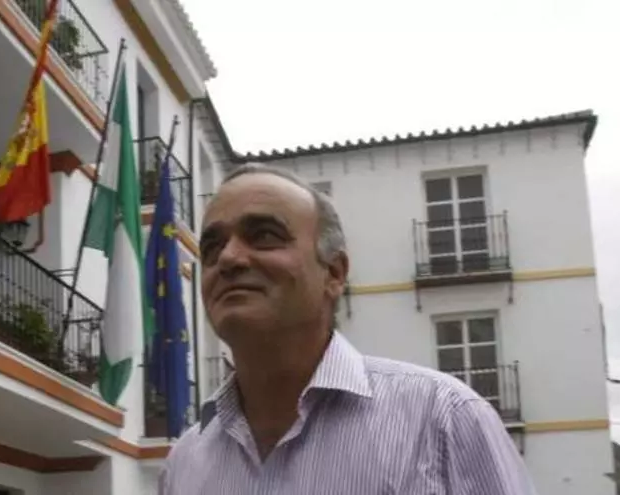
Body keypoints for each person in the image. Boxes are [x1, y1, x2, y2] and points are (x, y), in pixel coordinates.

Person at [158, 163, 537, 494]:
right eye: (213, 247)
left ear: (335, 273)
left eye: (264, 236)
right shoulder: (185, 463)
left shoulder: (444, 421)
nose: (229, 258)